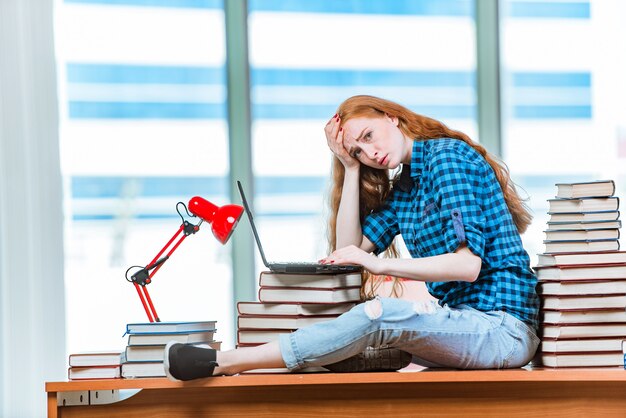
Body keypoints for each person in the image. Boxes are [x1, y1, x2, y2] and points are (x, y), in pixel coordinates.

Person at [164, 95, 540, 381]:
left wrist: (379, 264)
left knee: (379, 314)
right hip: (459, 325)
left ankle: (223, 362)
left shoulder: (447, 158)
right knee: (350, 351)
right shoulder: (404, 190)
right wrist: (349, 166)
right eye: (359, 149)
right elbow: (349, 253)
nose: (371, 152)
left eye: (369, 136)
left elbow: (467, 266)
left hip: (501, 329)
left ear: (392, 118)